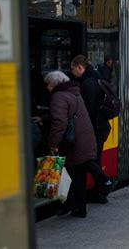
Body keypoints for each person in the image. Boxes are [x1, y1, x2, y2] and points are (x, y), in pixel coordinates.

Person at [44, 71, 97, 218]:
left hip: (73, 145)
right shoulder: (75, 93)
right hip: (85, 141)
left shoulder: (58, 97)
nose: (47, 88)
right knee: (79, 178)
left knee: (70, 177)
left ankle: (71, 206)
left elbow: (60, 123)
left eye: (48, 84)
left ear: (54, 84)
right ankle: (80, 209)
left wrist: (53, 143)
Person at [71, 55, 115, 203]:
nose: (71, 72)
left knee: (89, 159)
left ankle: (105, 185)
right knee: (95, 158)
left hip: (95, 129)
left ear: (79, 68)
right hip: (101, 127)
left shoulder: (89, 84)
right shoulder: (96, 77)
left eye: (72, 69)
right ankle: (100, 192)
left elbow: (88, 111)